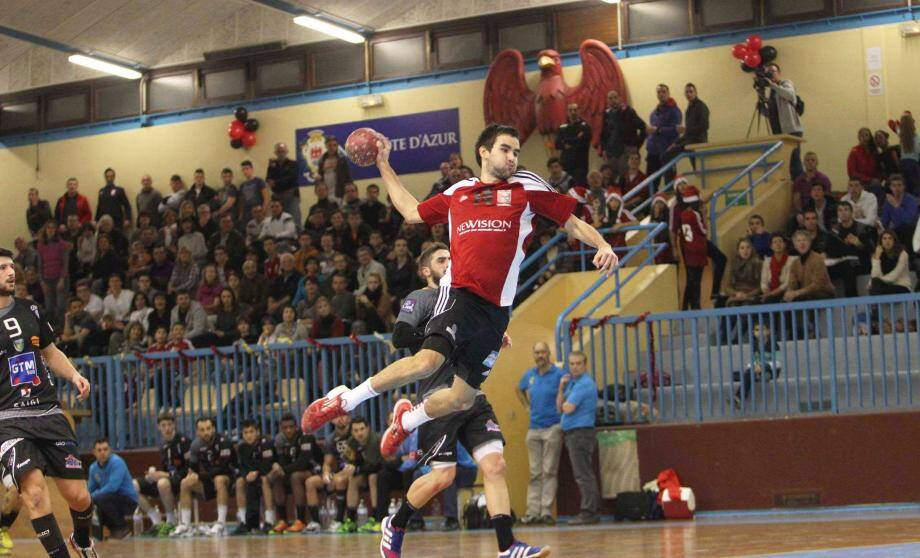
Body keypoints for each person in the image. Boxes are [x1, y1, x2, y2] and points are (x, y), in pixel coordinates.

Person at [303, 124, 617, 463]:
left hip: (496, 312)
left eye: (516, 152)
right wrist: (384, 165)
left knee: (461, 399)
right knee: (428, 362)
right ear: (483, 151)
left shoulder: (526, 187)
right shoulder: (460, 192)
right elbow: (411, 211)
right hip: (459, 294)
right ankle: (344, 400)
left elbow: (570, 221)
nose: (512, 157)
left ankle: (407, 419)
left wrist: (602, 243)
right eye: (505, 149)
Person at [380, 243, 548, 558]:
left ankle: (507, 547)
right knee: (443, 477)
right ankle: (396, 524)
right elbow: (400, 337)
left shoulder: (469, 301)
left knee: (495, 465)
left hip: (472, 394)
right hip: (438, 396)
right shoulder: (422, 298)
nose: (449, 262)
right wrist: (445, 339)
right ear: (426, 270)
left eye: (451, 258)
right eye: (441, 259)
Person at [0, 247, 98, 557]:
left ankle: (81, 539)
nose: (10, 272)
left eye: (11, 266)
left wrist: (74, 375)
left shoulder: (31, 309)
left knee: (80, 497)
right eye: (2, 268)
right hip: (7, 420)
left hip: (48, 412)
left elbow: (50, 352)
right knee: (35, 494)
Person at [516, 342, 564, 525]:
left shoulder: (559, 374)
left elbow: (568, 391)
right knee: (535, 473)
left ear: (549, 353)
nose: (540, 355)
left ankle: (546, 512)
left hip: (553, 427)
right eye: (537, 352)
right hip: (533, 428)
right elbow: (518, 389)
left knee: (549, 471)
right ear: (533, 354)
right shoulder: (529, 375)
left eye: (543, 352)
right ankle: (532, 513)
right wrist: (526, 407)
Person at [171, 417, 235, 537]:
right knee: (185, 483)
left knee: (219, 479)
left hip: (229, 480)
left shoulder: (223, 441)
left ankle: (221, 523)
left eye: (208, 429)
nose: (206, 432)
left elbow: (223, 468)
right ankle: (185, 525)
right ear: (197, 432)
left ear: (214, 429)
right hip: (209, 481)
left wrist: (199, 476)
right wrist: (193, 476)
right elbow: (193, 468)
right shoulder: (195, 445)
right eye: (202, 430)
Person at [557, 350, 599, 525]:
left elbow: (567, 408)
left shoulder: (584, 384)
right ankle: (589, 511)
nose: (574, 367)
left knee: (584, 475)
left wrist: (565, 403)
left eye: (578, 363)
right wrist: (560, 388)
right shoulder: (573, 383)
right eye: (571, 364)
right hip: (573, 433)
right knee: (582, 474)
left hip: (580, 433)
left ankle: (589, 512)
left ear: (585, 365)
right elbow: (560, 407)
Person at [133, 412, 191, 537]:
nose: (167, 428)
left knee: (162, 483)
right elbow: (166, 469)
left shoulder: (184, 442)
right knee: (133, 486)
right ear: (158, 427)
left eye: (169, 424)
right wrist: (152, 476)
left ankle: (171, 521)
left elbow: (188, 470)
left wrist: (164, 475)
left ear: (174, 425)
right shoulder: (163, 445)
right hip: (167, 478)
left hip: (181, 481)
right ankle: (156, 521)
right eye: (163, 425)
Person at [268, 413, 324, 534]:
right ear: (281, 429)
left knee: (295, 476)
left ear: (296, 426)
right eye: (285, 428)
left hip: (314, 471)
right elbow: (281, 461)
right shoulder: (279, 440)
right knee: (277, 478)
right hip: (292, 470)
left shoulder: (305, 436)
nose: (288, 430)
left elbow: (303, 462)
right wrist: (278, 469)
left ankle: (301, 519)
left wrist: (283, 470)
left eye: (291, 427)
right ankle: (282, 520)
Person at [231, 419, 276, 535]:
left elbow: (268, 465)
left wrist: (256, 473)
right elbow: (242, 466)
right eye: (245, 433)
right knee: (240, 482)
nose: (249, 435)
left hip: (271, 474)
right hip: (253, 475)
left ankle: (269, 521)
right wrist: (246, 475)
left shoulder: (266, 443)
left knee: (264, 480)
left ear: (258, 432)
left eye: (251, 432)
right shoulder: (242, 447)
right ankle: (244, 522)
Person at [87, 438, 138, 539]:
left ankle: (122, 529)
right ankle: (98, 536)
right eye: (99, 450)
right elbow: (90, 489)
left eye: (105, 449)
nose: (102, 453)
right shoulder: (93, 468)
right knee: (92, 504)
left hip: (128, 500)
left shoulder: (117, 462)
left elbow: (112, 488)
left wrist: (92, 497)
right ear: (94, 452)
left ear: (110, 450)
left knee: (100, 499)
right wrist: (87, 498)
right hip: (110, 499)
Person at [761, 63, 804, 180]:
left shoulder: (786, 83)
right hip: (778, 131)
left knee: (794, 160)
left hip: (791, 130)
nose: (770, 74)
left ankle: (798, 185)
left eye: (772, 71)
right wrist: (762, 108)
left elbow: (790, 95)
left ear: (779, 73)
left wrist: (773, 85)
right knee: (783, 161)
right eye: (768, 72)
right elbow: (773, 114)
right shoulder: (772, 92)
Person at [827, 202, 874, 297]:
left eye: (846, 210)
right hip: (841, 263)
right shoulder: (833, 231)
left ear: (851, 212)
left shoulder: (863, 229)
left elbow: (871, 249)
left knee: (848, 266)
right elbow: (831, 251)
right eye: (840, 210)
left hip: (861, 263)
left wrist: (858, 243)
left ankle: (852, 299)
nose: (843, 213)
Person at [730, 323, 781, 410]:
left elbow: (777, 363)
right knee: (737, 374)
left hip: (770, 372)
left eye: (763, 330)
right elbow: (754, 361)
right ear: (753, 332)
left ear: (768, 331)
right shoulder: (755, 345)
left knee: (747, 374)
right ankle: (740, 396)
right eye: (757, 330)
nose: (760, 332)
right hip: (757, 370)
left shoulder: (774, 345)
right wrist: (753, 367)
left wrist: (763, 366)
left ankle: (739, 398)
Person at [599, 89, 646, 179]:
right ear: (607, 101)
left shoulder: (629, 111)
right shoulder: (607, 114)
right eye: (610, 98)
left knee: (625, 179)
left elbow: (642, 127)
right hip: (611, 153)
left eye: (615, 97)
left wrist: (636, 145)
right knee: (611, 180)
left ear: (620, 99)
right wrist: (604, 149)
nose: (613, 100)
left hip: (625, 152)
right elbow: (604, 133)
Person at [676, 186, 709, 310]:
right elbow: (704, 230)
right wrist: (705, 216)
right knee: (696, 280)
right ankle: (695, 305)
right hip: (698, 249)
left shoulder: (683, 214)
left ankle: (685, 305)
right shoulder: (695, 214)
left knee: (690, 280)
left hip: (688, 249)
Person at [646, 84, 682, 190]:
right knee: (651, 184)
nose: (661, 94)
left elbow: (676, 130)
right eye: (659, 92)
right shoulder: (654, 113)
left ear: (668, 93)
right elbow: (652, 130)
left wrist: (658, 130)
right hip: (653, 152)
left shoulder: (675, 111)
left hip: (667, 151)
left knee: (670, 184)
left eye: (663, 92)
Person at [267, 143, 302, 230]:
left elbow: (292, 178)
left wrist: (276, 182)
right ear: (275, 152)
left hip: (291, 196)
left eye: (283, 151)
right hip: (277, 197)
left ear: (287, 152)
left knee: (295, 222)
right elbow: (268, 179)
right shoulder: (272, 165)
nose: (281, 153)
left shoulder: (293, 164)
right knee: (278, 223)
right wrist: (275, 182)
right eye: (278, 151)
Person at [555, 103, 591, 185]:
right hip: (565, 164)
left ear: (579, 111)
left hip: (580, 164)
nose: (573, 112)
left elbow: (582, 142)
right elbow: (557, 144)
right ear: (567, 112)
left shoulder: (585, 126)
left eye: (575, 110)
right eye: (570, 110)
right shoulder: (562, 127)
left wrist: (566, 140)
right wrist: (577, 138)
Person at [760, 234, 796, 304]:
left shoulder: (792, 260)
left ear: (785, 244)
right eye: (775, 242)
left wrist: (772, 293)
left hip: (785, 291)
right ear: (771, 246)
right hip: (769, 292)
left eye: (780, 241)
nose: (778, 244)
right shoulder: (767, 261)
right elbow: (763, 281)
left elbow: (787, 283)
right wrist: (767, 292)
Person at [316, 135, 353, 200]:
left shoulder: (342, 160)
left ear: (337, 146)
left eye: (334, 145)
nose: (332, 147)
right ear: (326, 146)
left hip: (340, 193)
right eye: (330, 145)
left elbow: (348, 177)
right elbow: (320, 177)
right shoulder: (322, 160)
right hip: (326, 193)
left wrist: (348, 191)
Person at [898, 113, 920, 194]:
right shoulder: (917, 137)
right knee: (916, 186)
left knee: (906, 187)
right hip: (913, 163)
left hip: (903, 164)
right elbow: (918, 150)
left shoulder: (901, 137)